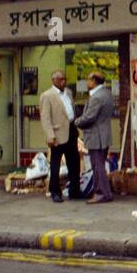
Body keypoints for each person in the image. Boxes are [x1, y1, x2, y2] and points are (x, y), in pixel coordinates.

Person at [39, 70, 82, 203]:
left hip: (71, 130)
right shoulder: (47, 96)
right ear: (54, 80)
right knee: (56, 165)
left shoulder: (68, 93)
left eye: (65, 79)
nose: (64, 82)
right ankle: (55, 191)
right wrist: (50, 135)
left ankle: (74, 190)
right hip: (57, 134)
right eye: (61, 79)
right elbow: (45, 118)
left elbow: (71, 109)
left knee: (74, 162)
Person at [74, 71, 115, 204]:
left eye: (88, 80)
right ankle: (103, 192)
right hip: (104, 134)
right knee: (100, 164)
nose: (87, 82)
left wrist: (76, 121)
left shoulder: (96, 97)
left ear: (94, 81)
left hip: (96, 136)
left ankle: (102, 193)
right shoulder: (107, 94)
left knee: (97, 166)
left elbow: (90, 117)